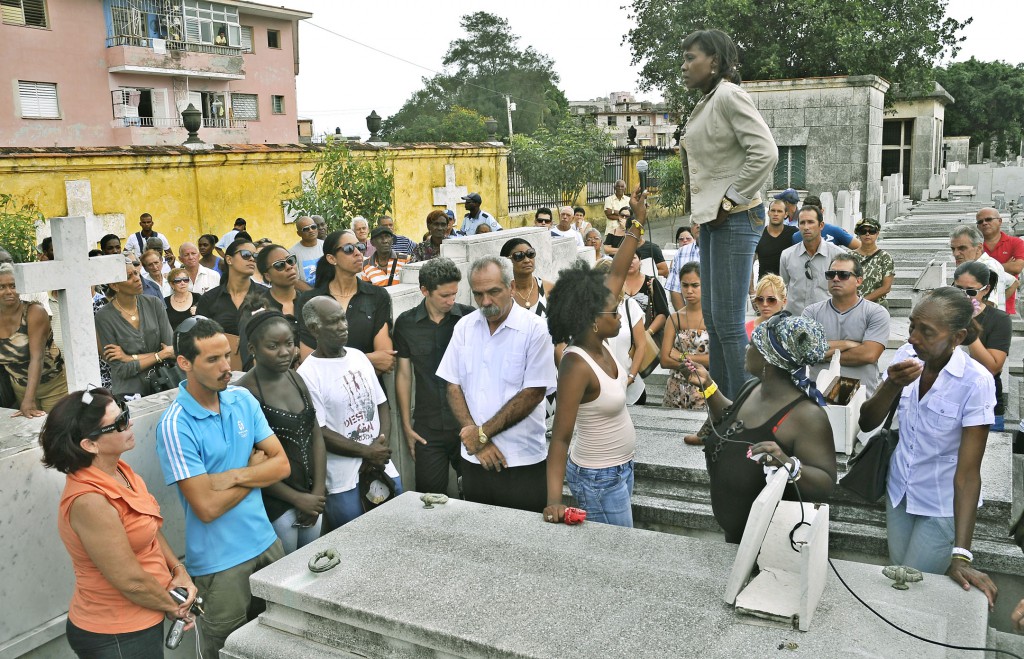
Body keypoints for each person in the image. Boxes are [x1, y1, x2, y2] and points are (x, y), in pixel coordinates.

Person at [156, 317, 289, 658]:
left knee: (282, 642)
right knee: (228, 651)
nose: (226, 367)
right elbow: (206, 508)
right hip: (220, 565)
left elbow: (281, 464)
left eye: (227, 355)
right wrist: (254, 470)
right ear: (184, 363)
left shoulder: (241, 398)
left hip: (266, 542)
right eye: (212, 360)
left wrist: (233, 476)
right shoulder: (175, 425)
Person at [858, 288, 998, 608]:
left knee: (909, 590)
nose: (914, 338)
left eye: (927, 331)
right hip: (899, 494)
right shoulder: (905, 357)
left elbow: (968, 474)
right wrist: (891, 384)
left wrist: (961, 554)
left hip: (940, 506)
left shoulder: (975, 382)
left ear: (958, 337)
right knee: (898, 577)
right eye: (911, 326)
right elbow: (868, 422)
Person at [41, 388, 197, 658]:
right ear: (90, 445)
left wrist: (178, 570)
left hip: (144, 614)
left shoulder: (120, 471)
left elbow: (147, 529)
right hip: (116, 633)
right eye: (120, 422)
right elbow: (130, 581)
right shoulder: (89, 501)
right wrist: (174, 606)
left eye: (126, 413)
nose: (130, 423)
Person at [681, 29, 778, 400]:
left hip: (736, 218)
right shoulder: (707, 101)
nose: (684, 66)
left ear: (716, 62)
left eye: (692, 58)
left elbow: (765, 153)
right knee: (716, 325)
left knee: (730, 326)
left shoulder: (728, 95)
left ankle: (742, 418)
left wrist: (727, 201)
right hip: (715, 221)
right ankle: (719, 413)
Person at [686, 313, 837, 543]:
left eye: (753, 345)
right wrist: (708, 386)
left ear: (768, 359)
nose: (747, 348)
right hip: (735, 537)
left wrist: (789, 465)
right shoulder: (752, 387)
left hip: (769, 545)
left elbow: (825, 483)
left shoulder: (808, 416)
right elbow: (731, 419)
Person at [542, 190, 645, 527]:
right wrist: (555, 500)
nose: (619, 315)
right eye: (613, 312)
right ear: (591, 319)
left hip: (621, 468)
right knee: (619, 557)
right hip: (598, 479)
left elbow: (615, 276)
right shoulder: (576, 364)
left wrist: (636, 222)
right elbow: (559, 436)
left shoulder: (600, 339)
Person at [436, 256, 557, 513]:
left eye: (493, 292)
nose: (486, 301)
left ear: (511, 287)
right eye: (478, 294)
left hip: (522, 461)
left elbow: (533, 393)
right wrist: (474, 436)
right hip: (475, 459)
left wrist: (481, 435)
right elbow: (453, 385)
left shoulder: (536, 329)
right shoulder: (464, 327)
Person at [297, 297, 401, 531]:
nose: (343, 326)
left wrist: (379, 447)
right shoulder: (308, 374)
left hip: (382, 469)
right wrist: (368, 453)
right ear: (315, 329)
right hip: (343, 482)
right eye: (333, 322)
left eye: (343, 318)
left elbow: (382, 405)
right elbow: (320, 432)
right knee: (356, 540)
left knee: (396, 529)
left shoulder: (358, 357)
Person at [236, 311, 327, 552]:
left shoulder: (296, 378)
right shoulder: (242, 394)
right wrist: (297, 499)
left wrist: (316, 492)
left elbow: (315, 434)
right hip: (277, 506)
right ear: (252, 348)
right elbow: (248, 464)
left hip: (312, 498)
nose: (285, 352)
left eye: (289, 343)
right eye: (273, 346)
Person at [394, 258, 475, 495]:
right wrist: (407, 427)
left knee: (476, 495)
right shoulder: (406, 324)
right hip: (428, 428)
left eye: (455, 294)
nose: (451, 301)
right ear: (424, 291)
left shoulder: (469, 319)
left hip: (467, 422)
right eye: (444, 296)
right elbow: (404, 375)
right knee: (428, 498)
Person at [295, 230, 395, 375]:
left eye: (360, 247)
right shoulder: (311, 301)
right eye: (349, 249)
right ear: (331, 258)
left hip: (369, 390)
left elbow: (385, 361)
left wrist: (331, 363)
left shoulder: (377, 296)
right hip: (326, 392)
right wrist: (367, 359)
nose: (357, 253)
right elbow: (310, 364)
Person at [802, 254, 890, 397]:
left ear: (859, 281)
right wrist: (848, 344)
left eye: (843, 275)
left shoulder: (876, 313)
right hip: (819, 396)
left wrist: (819, 354)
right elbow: (805, 352)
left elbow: (869, 354)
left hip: (859, 397)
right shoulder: (811, 312)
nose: (835, 279)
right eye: (831, 274)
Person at [95, 256, 175, 400]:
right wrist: (159, 355)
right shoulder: (104, 317)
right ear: (114, 286)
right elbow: (120, 369)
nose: (137, 278)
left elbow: (172, 351)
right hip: (130, 392)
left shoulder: (154, 304)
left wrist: (129, 357)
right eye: (129, 276)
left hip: (165, 382)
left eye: (136, 273)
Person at [0, 263, 67, 416]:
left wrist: (29, 400)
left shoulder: (34, 312)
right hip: (20, 388)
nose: (8, 291)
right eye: (1, 287)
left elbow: (37, 357)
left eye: (13, 285)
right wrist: (25, 397)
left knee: (59, 431)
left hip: (53, 385)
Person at [954, 261, 1011, 432]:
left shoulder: (999, 319)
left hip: (984, 404)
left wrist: (969, 324)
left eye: (970, 291)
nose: (964, 296)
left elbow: (993, 367)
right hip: (949, 401)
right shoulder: (945, 313)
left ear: (985, 290)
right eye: (958, 289)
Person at [660, 262, 710, 413]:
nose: (689, 291)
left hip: (704, 388)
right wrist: (697, 361)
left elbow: (715, 359)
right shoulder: (675, 318)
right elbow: (664, 360)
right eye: (685, 285)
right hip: (675, 389)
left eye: (695, 285)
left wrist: (680, 356)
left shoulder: (713, 317)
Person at [779, 205, 847, 315]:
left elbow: (845, 291)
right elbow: (783, 289)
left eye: (811, 222)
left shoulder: (838, 255)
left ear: (821, 225)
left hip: (826, 319)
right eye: (802, 223)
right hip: (795, 320)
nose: (806, 227)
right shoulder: (787, 255)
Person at [196, 238, 261, 337]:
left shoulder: (266, 295)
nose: (252, 259)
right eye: (246, 254)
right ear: (229, 259)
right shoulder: (209, 299)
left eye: (255, 256)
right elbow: (201, 337)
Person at [949, 225, 1015, 312]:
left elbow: (988, 304)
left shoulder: (989, 267)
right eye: (953, 249)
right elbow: (1013, 282)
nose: (955, 254)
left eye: (962, 248)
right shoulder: (980, 265)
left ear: (979, 248)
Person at [623, 251, 669, 363]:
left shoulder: (651, 283)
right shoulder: (616, 283)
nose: (630, 262)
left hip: (648, 339)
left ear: (640, 260)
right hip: (622, 340)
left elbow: (663, 313)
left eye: (633, 258)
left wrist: (647, 333)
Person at [978, 207, 1024, 315]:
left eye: (988, 219)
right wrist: (1006, 266)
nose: (984, 223)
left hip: (1006, 308)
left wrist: (984, 267)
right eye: (980, 221)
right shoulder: (976, 246)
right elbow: (973, 271)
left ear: (1000, 221)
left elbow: (1017, 268)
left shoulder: (1015, 243)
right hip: (979, 307)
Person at [500, 238, 553, 317]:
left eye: (530, 254)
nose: (527, 260)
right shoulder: (501, 294)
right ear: (507, 261)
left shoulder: (549, 289)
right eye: (519, 256)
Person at [853, 218, 895, 309]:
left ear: (877, 234)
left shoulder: (885, 257)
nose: (867, 234)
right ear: (858, 234)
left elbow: (886, 287)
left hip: (877, 306)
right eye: (863, 231)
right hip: (852, 307)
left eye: (871, 231)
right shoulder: (849, 257)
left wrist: (862, 302)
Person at [754, 200, 798, 280]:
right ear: (768, 213)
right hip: (764, 286)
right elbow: (749, 263)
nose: (776, 214)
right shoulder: (759, 234)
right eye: (773, 211)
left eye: (779, 211)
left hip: (786, 286)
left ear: (785, 214)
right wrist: (751, 289)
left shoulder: (794, 233)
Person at [666, 225, 700, 310]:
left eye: (702, 221)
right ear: (692, 228)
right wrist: (685, 317)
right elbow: (674, 288)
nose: (699, 225)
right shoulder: (681, 253)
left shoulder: (724, 250)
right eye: (695, 222)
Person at [746, 274, 786, 339]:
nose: (765, 304)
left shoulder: (790, 330)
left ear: (784, 301)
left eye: (771, 300)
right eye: (760, 299)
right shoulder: (745, 331)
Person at [290, 216, 324, 286]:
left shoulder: (326, 245)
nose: (311, 230)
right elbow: (295, 280)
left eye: (313, 227)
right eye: (306, 229)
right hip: (308, 295)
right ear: (299, 233)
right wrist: (313, 293)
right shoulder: (292, 253)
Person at [164, 267, 198, 332]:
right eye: (178, 281)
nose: (182, 283)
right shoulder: (165, 302)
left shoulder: (198, 298)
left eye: (185, 280)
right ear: (171, 284)